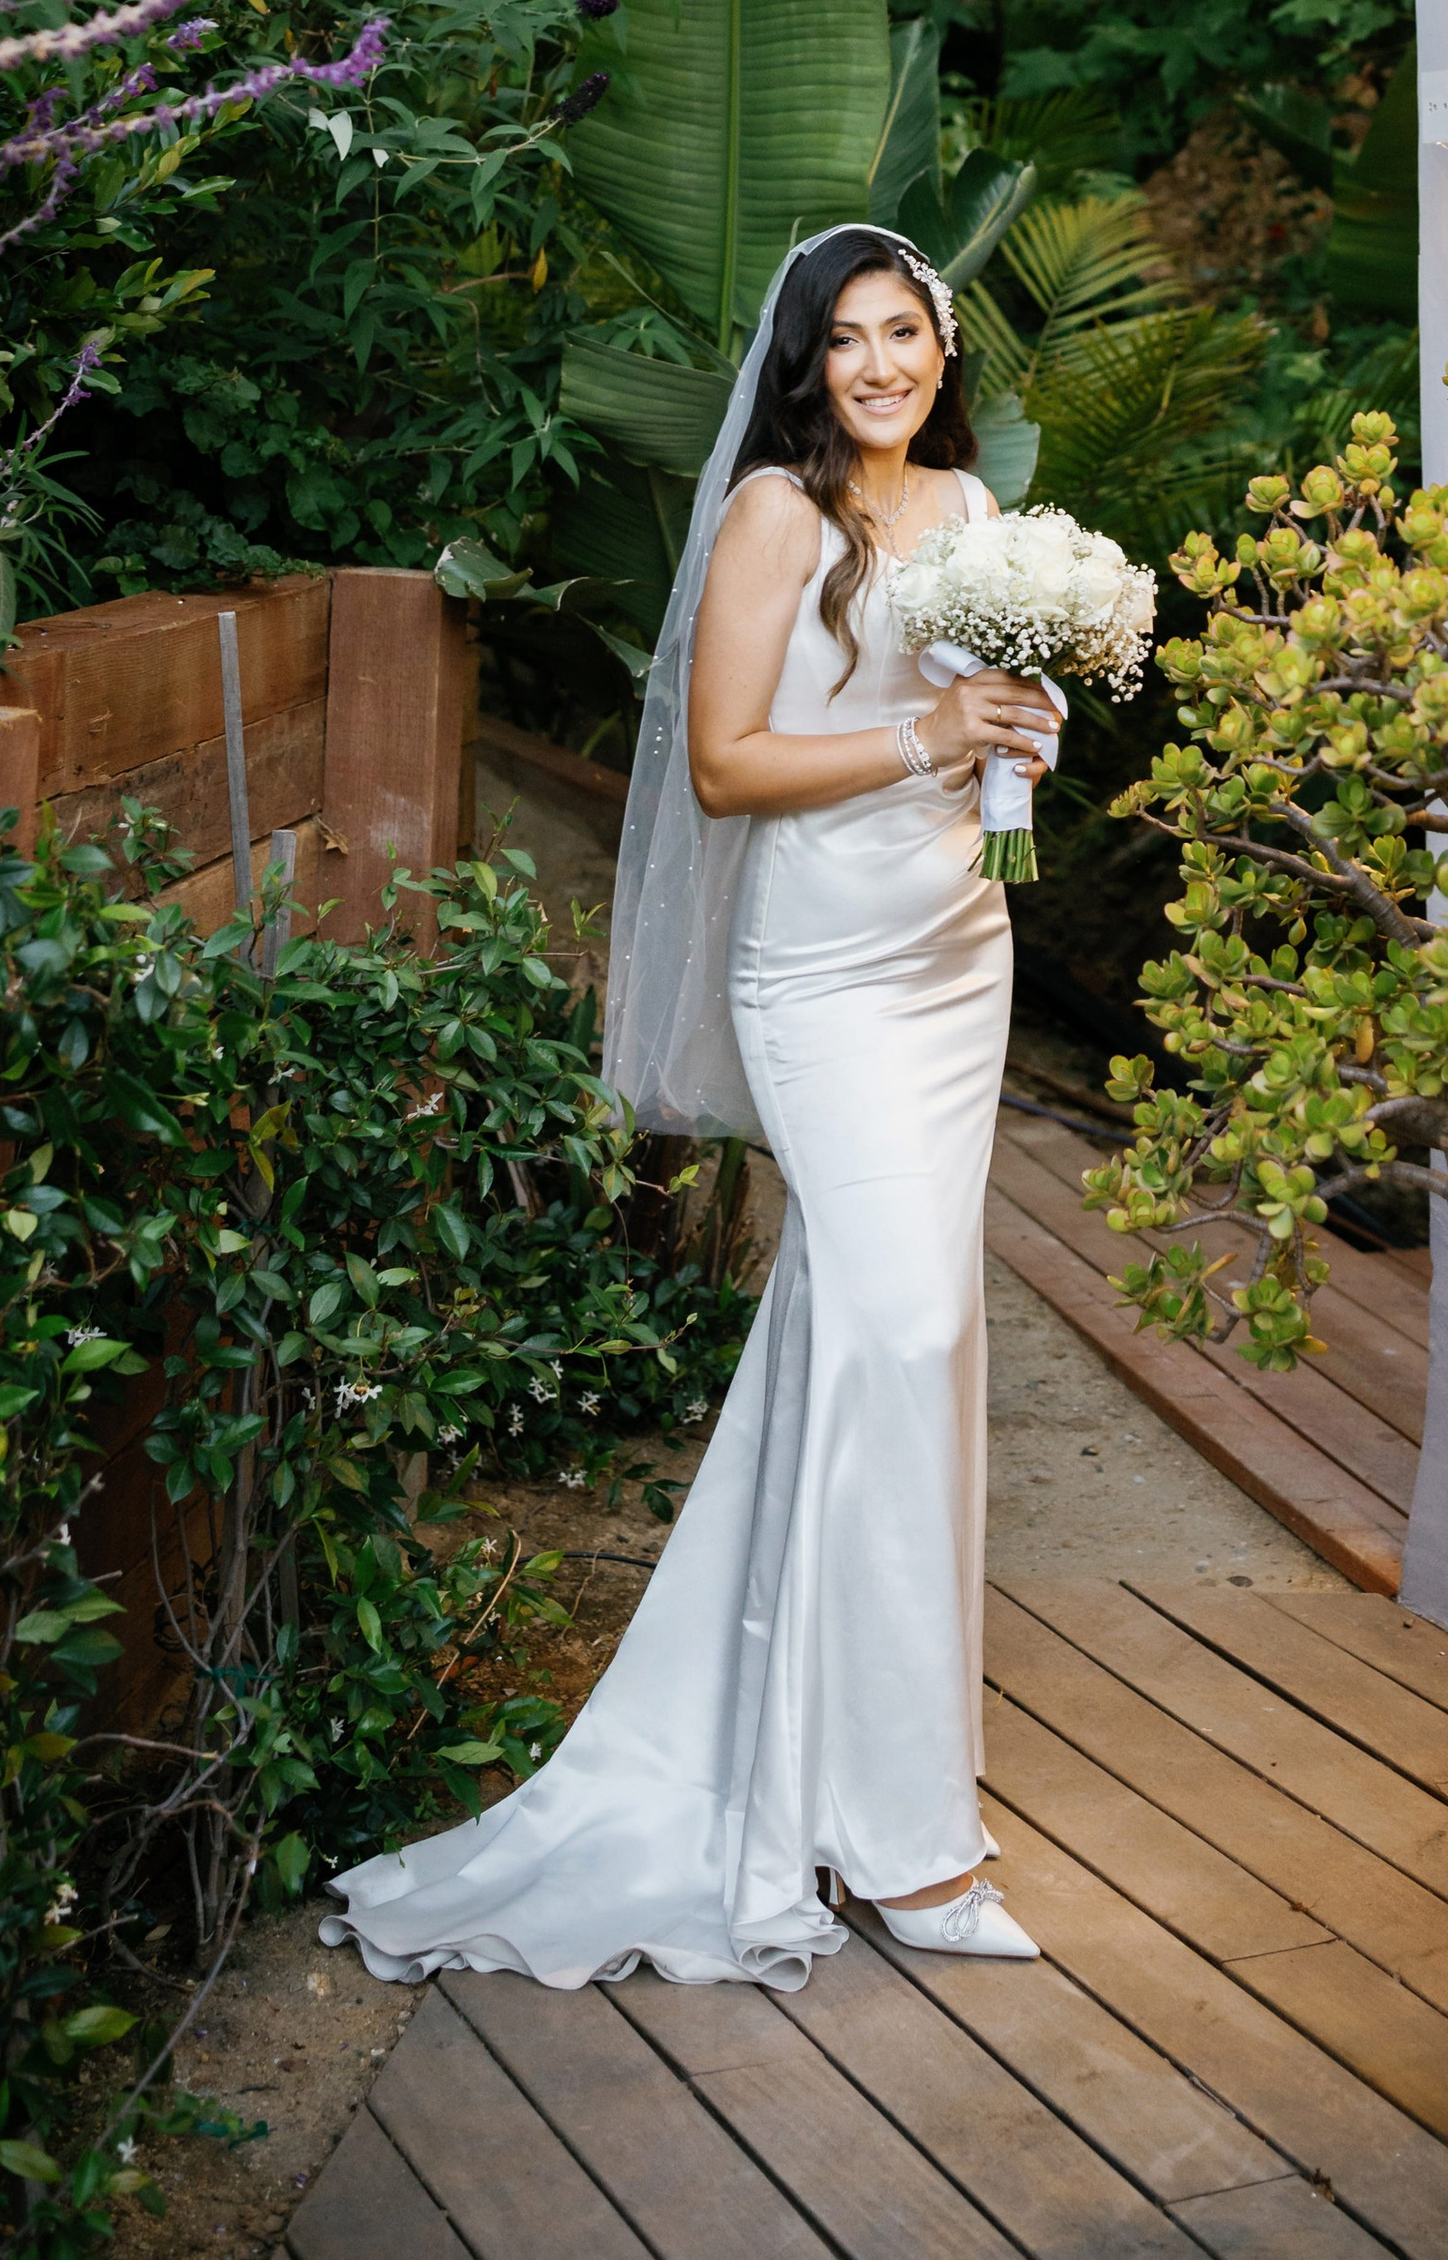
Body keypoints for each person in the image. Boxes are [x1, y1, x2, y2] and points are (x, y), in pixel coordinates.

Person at [322, 223, 1061, 1989]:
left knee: (908, 1352)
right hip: (822, 981)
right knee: (894, 1330)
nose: (881, 365)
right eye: (848, 340)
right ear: (805, 363)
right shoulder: (772, 522)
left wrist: (1017, 733)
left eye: (907, 333)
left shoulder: (969, 517)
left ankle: (864, 1771)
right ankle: (906, 1852)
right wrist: (927, 735)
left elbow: (981, 726)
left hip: (959, 959)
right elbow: (730, 766)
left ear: (942, 353)